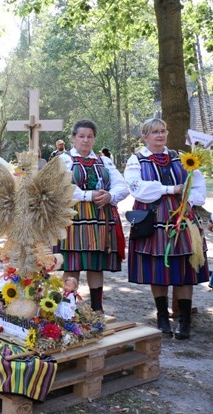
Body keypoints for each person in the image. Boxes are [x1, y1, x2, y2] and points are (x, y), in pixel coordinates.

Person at [123, 118, 209, 339]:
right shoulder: (137, 160)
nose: (160, 135)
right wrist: (172, 189)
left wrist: (188, 196)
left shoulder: (180, 158)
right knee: (157, 269)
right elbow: (138, 189)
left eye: (163, 131)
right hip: (154, 218)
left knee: (183, 269)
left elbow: (197, 185)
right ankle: (162, 316)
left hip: (182, 217)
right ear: (144, 136)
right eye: (154, 132)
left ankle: (184, 320)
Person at [56, 119, 129, 313]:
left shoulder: (104, 161)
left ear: (94, 138)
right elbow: (60, 188)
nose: (85, 140)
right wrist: (89, 195)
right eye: (81, 136)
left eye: (89, 136)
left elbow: (122, 185)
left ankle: (97, 309)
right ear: (73, 138)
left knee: (96, 265)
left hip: (100, 217)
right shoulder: (64, 160)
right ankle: (67, 308)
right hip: (73, 217)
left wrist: (110, 195)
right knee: (72, 264)